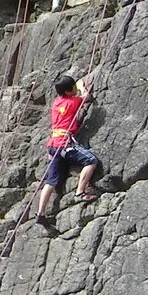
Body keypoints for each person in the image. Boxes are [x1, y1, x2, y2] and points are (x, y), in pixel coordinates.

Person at [36, 74, 100, 226]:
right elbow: (88, 97)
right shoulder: (73, 102)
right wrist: (83, 88)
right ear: (69, 90)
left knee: (51, 181)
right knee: (91, 161)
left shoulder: (56, 103)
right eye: (72, 87)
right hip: (64, 144)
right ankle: (80, 193)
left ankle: (40, 213)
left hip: (52, 145)